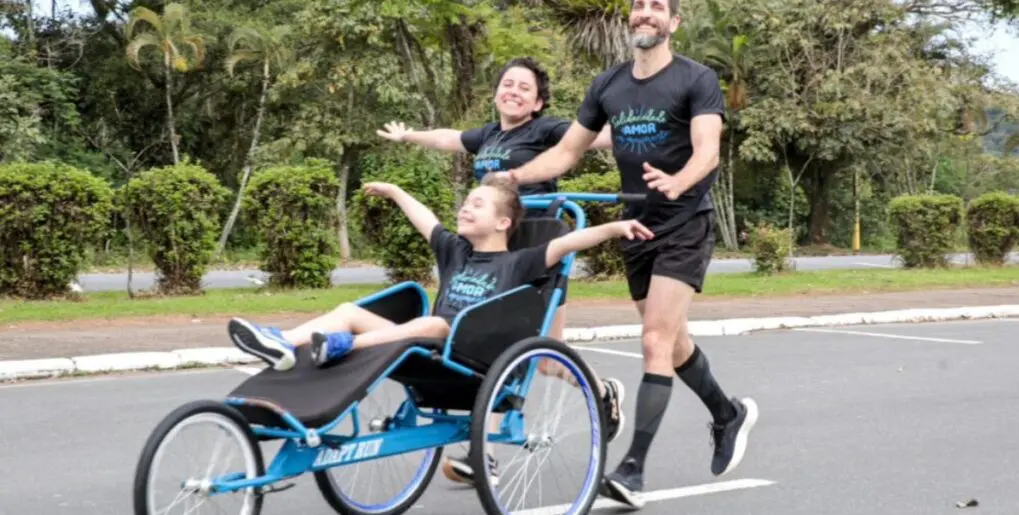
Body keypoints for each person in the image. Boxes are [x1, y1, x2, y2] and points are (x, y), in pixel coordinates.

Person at [495, 0, 759, 508]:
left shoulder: (696, 78)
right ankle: (728, 415)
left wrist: (679, 182)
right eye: (639, 5)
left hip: (685, 222)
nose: (645, 12)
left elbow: (707, 150)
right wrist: (513, 177)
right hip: (637, 227)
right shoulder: (608, 85)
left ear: (673, 22)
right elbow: (567, 152)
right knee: (674, 344)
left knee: (655, 340)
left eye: (657, 6)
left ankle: (632, 471)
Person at [226, 173, 641, 485]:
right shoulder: (455, 252)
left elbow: (568, 244)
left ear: (502, 222)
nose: (465, 208)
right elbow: (423, 218)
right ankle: (282, 343)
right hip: (427, 349)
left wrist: (615, 228)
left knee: (436, 322)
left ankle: (343, 344)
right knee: (349, 308)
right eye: (466, 202)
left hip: (472, 357)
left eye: (477, 204)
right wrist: (395, 191)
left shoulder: (520, 262)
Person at [375, 56, 613, 344]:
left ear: (537, 103)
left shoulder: (545, 129)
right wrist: (408, 136)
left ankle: (578, 375)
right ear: (496, 93)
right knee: (482, 328)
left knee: (548, 346)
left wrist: (635, 128)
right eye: (507, 84)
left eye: (524, 88)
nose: (513, 91)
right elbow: (447, 139)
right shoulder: (490, 134)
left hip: (532, 237)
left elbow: (589, 137)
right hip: (490, 239)